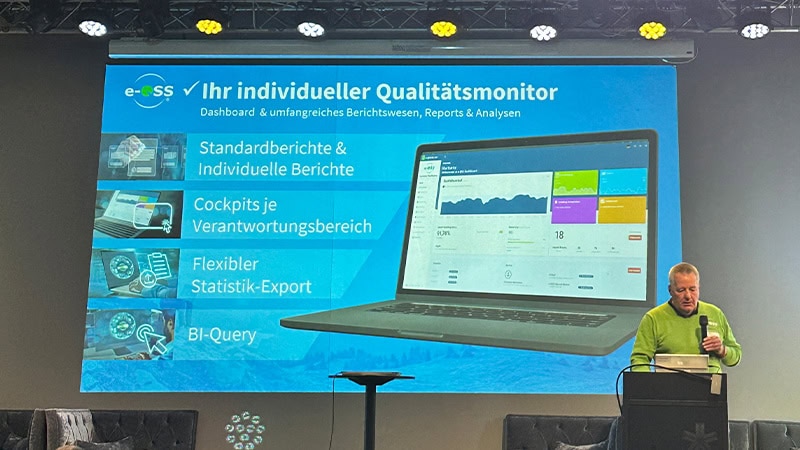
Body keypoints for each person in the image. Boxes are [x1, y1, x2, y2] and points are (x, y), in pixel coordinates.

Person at [630, 261, 742, 373]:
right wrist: (649, 382)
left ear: (699, 288)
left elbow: (735, 357)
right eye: (681, 290)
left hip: (711, 382)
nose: (688, 296)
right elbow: (639, 360)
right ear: (670, 290)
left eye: (692, 289)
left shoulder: (715, 313)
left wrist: (721, 350)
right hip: (668, 383)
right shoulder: (653, 318)